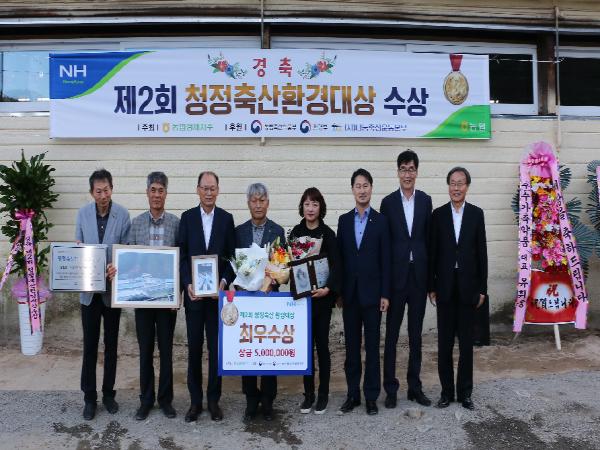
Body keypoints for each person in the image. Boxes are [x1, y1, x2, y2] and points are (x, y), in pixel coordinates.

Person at [428, 167, 488, 411]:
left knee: (466, 345)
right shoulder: (438, 214)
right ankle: (446, 393)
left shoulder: (476, 214)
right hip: (444, 288)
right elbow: (432, 253)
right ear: (448, 186)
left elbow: (482, 253)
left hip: (467, 288)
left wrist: (482, 289)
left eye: (460, 183)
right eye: (452, 183)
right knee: (444, 345)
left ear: (467, 186)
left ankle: (465, 393)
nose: (456, 187)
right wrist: (431, 286)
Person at [179, 171, 235, 422]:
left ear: (218, 190)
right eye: (205, 188)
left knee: (215, 350)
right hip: (194, 299)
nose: (209, 192)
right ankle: (195, 402)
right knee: (194, 349)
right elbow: (182, 257)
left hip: (215, 300)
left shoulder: (226, 219)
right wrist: (188, 283)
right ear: (198, 189)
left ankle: (213, 400)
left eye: (213, 188)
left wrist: (223, 282)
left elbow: (232, 258)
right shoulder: (188, 218)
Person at [75, 169, 131, 421]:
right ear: (91, 192)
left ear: (112, 188)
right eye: (98, 191)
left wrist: (115, 265)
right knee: (89, 346)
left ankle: (109, 394)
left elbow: (126, 250)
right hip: (89, 294)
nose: (103, 195)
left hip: (111, 292)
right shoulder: (82, 214)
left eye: (106, 190)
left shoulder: (123, 215)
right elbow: (78, 248)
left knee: (111, 345)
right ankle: (89, 397)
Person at [380, 150, 433, 408]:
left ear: (417, 172)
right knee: (391, 336)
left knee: (415, 336)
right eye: (403, 169)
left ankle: (415, 387)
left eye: (411, 169)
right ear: (398, 172)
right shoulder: (388, 203)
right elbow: (384, 244)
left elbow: (429, 241)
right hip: (396, 279)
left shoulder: (425, 200)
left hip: (418, 277)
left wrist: (431, 283)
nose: (407, 174)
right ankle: (390, 390)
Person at [337, 169, 391, 415]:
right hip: (350, 296)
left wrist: (385, 294)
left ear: (371, 188)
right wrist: (339, 292)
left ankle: (371, 396)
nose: (362, 190)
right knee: (351, 349)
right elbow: (340, 259)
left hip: (373, 295)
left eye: (366, 185)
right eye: (358, 186)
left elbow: (386, 260)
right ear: (352, 190)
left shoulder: (381, 221)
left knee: (371, 348)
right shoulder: (344, 221)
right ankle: (352, 394)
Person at [128, 172, 179, 421]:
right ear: (147, 192)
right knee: (146, 350)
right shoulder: (136, 224)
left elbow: (181, 262)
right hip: (142, 299)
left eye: (161, 190)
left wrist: (178, 294)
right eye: (153, 190)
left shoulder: (176, 224)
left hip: (167, 300)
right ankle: (146, 400)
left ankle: (166, 400)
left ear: (166, 193)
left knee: (166, 351)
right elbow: (128, 260)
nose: (157, 195)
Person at [234, 182, 286, 422]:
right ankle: (251, 399)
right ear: (248, 203)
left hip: (269, 300)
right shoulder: (239, 231)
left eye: (262, 200)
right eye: (254, 200)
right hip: (246, 301)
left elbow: (283, 267)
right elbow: (233, 266)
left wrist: (273, 280)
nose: (258, 205)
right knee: (248, 349)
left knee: (268, 349)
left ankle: (268, 400)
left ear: (268, 203)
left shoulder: (278, 231)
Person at [289, 187, 340, 415]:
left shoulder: (328, 234)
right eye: (307, 204)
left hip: (322, 300)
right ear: (302, 206)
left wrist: (328, 288)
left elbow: (337, 266)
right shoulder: (295, 233)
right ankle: (308, 394)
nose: (310, 208)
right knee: (306, 348)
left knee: (322, 346)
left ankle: (323, 394)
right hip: (302, 301)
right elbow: (289, 265)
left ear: (321, 208)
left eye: (315, 204)